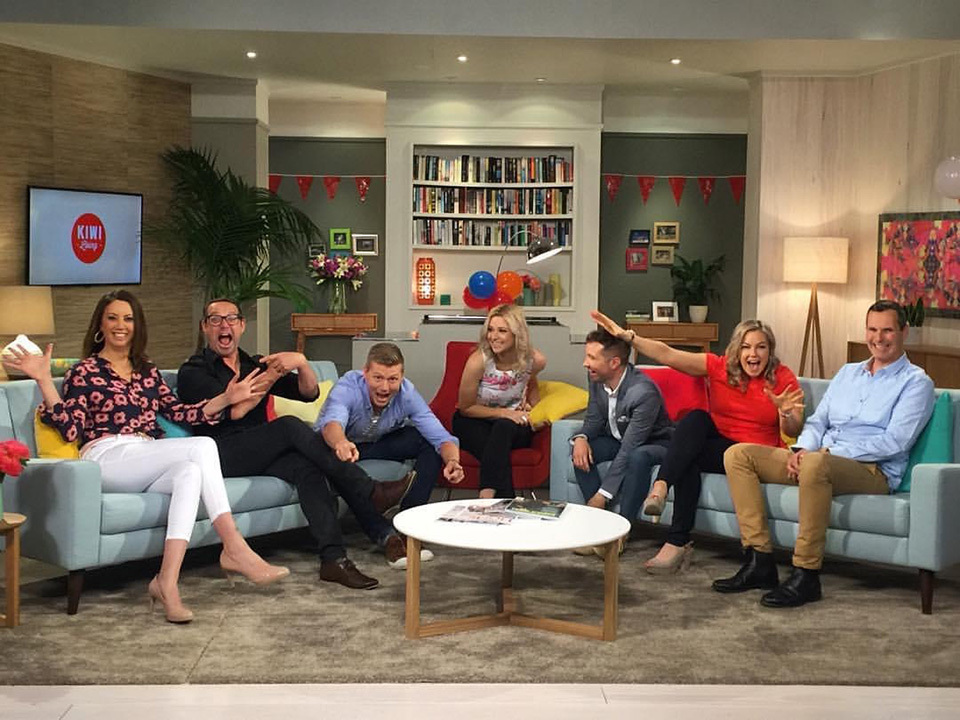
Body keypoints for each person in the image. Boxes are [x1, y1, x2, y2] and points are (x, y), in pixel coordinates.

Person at [1, 290, 289, 624]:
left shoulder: (147, 372)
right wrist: (42, 379)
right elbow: (70, 428)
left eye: (128, 319)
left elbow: (181, 413)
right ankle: (234, 545)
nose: (120, 325)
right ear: (100, 326)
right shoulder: (85, 370)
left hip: (144, 454)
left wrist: (226, 398)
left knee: (189, 474)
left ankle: (166, 583)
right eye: (112, 318)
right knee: (202, 447)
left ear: (137, 326)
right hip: (106, 455)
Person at [177, 298, 416, 589]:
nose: (224, 325)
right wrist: (273, 374)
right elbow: (236, 409)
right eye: (216, 320)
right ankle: (368, 489)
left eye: (231, 319)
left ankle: (334, 560)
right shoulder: (193, 371)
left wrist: (301, 362)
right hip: (220, 453)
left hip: (261, 450)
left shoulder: (254, 364)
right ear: (205, 327)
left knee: (308, 469)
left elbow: (308, 393)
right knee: (289, 425)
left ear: (241, 326)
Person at [714, 300, 935, 607]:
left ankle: (806, 574)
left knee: (816, 464)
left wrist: (826, 452)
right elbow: (819, 420)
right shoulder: (848, 373)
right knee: (738, 455)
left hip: (872, 471)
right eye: (872, 329)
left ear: (904, 332)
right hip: (818, 459)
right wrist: (802, 449)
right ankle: (759, 560)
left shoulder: (916, 382)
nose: (878, 338)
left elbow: (895, 442)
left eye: (887, 330)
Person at [592, 310, 803, 574]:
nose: (753, 354)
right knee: (695, 422)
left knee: (688, 454)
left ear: (769, 351)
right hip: (721, 448)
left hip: (756, 455)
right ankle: (664, 498)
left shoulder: (782, 377)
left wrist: (786, 412)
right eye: (746, 347)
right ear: (736, 350)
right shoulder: (720, 367)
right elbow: (667, 354)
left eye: (761, 347)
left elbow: (794, 428)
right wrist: (630, 338)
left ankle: (675, 537)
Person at [317, 341, 465, 523]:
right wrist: (341, 443)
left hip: (376, 443)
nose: (385, 388)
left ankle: (410, 519)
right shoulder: (348, 387)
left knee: (426, 441)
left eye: (392, 379)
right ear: (365, 373)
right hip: (336, 447)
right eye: (378, 378)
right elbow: (332, 423)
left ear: (401, 377)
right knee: (330, 445)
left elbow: (440, 437)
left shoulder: (407, 393)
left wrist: (452, 461)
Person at [571, 329, 673, 538]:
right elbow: (594, 419)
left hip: (656, 443)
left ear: (614, 363)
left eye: (592, 357)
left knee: (637, 457)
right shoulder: (596, 377)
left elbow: (630, 447)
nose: (585, 363)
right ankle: (599, 523)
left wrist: (602, 494)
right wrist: (581, 438)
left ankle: (623, 531)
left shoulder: (643, 392)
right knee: (582, 451)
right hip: (618, 439)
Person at [453, 304, 547, 499]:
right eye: (490, 329)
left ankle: (487, 494)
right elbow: (465, 407)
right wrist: (504, 413)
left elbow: (531, 384)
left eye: (502, 331)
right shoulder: (478, 361)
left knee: (502, 429)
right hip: (474, 419)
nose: (493, 336)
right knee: (495, 446)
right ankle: (505, 499)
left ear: (517, 334)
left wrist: (535, 411)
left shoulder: (535, 360)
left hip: (511, 426)